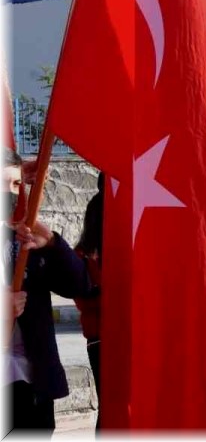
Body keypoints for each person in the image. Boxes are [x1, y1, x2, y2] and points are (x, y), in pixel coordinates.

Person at [3, 149, 94, 435]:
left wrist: (54, 245)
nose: (11, 194)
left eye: (16, 185)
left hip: (31, 385)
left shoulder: (23, 239)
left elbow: (80, 285)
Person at [73, 172, 105, 428]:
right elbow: (85, 298)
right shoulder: (82, 256)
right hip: (102, 341)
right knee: (110, 406)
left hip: (132, 336)